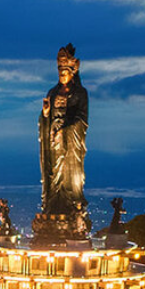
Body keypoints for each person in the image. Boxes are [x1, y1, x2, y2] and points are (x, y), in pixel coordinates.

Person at [38, 43, 89, 230]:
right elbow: (44, 119)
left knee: (69, 176)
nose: (62, 73)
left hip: (70, 143)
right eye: (59, 70)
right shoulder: (52, 93)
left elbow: (82, 119)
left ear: (73, 71)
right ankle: (52, 205)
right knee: (53, 174)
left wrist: (66, 130)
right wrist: (45, 113)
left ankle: (73, 207)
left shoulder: (80, 93)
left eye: (65, 70)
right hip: (53, 140)